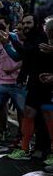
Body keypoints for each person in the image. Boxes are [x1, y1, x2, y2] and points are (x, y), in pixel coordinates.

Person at [7, 14, 53, 161]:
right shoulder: (31, 39)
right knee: (29, 113)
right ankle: (25, 148)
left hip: (48, 86)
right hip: (34, 84)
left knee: (47, 117)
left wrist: (11, 41)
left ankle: (48, 151)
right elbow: (23, 58)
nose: (25, 26)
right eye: (23, 23)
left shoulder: (41, 37)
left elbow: (28, 53)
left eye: (28, 23)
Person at [0, 22, 25, 143]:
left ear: (2, 32)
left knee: (22, 110)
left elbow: (25, 59)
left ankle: (22, 135)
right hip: (2, 82)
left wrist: (12, 70)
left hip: (17, 82)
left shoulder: (14, 42)